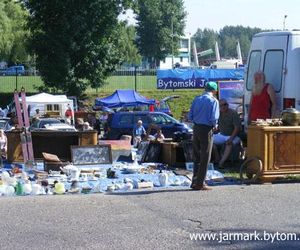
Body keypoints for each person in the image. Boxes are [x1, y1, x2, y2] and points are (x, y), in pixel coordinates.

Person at [188, 81, 219, 191]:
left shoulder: (197, 99)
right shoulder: (213, 101)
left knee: (196, 156)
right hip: (206, 129)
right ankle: (201, 183)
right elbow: (214, 118)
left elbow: (190, 116)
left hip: (196, 128)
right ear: (214, 91)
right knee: (205, 156)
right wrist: (215, 126)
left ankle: (194, 181)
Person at [212, 99, 241, 168]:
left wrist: (231, 138)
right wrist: (213, 132)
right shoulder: (218, 114)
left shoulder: (233, 113)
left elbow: (237, 128)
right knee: (209, 140)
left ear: (227, 105)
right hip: (222, 135)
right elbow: (218, 128)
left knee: (229, 143)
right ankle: (217, 158)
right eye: (221, 105)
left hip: (234, 136)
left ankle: (221, 163)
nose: (223, 106)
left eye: (225, 104)